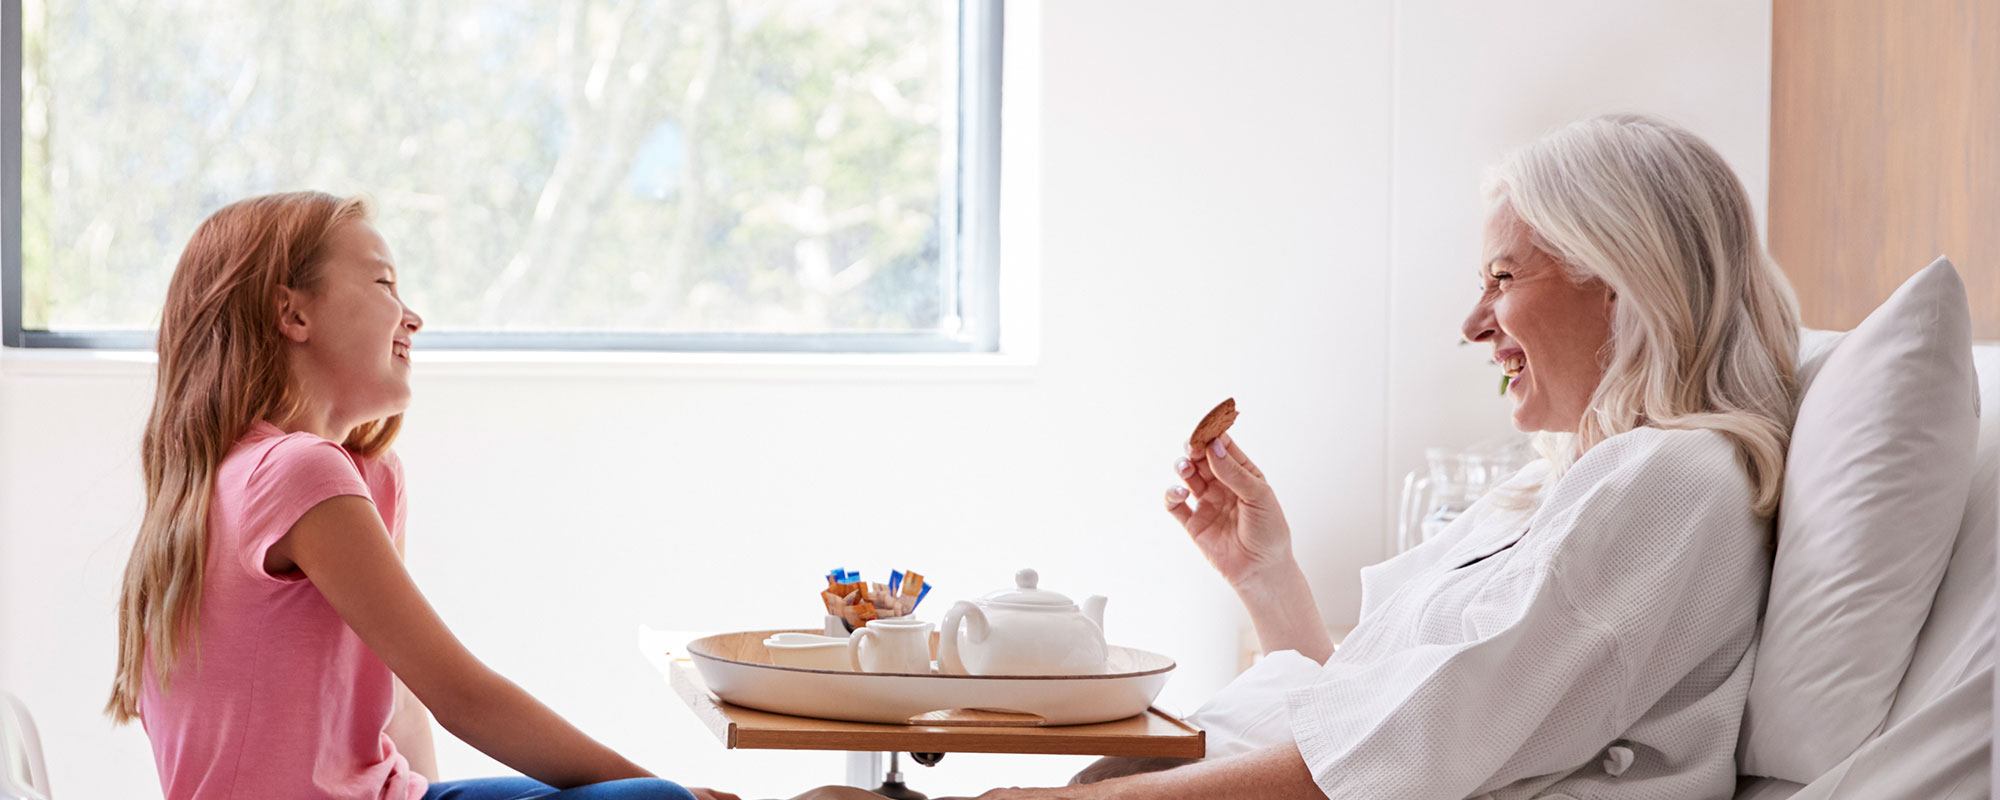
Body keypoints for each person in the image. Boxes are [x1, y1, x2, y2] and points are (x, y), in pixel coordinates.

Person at [954, 114, 1802, 799]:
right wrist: (1268, 579)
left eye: (1503, 280)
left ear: (1621, 280)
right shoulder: (1554, 487)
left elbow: (1405, 761)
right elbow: (1376, 721)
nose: (1474, 324)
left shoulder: (1672, 480)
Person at [104, 191, 739, 800]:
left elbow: (403, 702)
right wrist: (672, 796)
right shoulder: (295, 472)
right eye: (383, 284)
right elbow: (462, 695)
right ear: (293, 313)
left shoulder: (361, 476)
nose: (412, 315)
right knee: (660, 799)